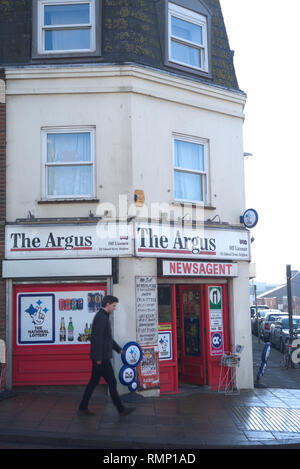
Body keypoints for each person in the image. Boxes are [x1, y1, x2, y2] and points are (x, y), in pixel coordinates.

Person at [78, 295, 135, 417]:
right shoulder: (101, 318)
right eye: (114, 306)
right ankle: (121, 409)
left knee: (93, 383)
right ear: (107, 304)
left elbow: (107, 339)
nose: (114, 308)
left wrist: (119, 349)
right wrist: (98, 358)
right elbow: (97, 339)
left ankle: (83, 407)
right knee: (112, 382)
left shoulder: (103, 317)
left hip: (101, 357)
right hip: (101, 358)